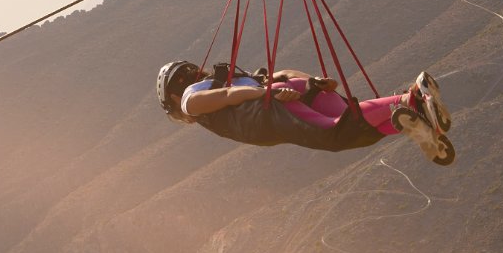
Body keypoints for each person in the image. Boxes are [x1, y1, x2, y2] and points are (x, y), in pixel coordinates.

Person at [156, 60, 454, 165]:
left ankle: (414, 100)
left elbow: (230, 96)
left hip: (273, 106)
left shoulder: (190, 100)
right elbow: (280, 73)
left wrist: (268, 94)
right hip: (293, 88)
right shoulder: (234, 73)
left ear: (173, 94)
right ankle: (412, 103)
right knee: (353, 124)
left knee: (336, 134)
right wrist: (314, 82)